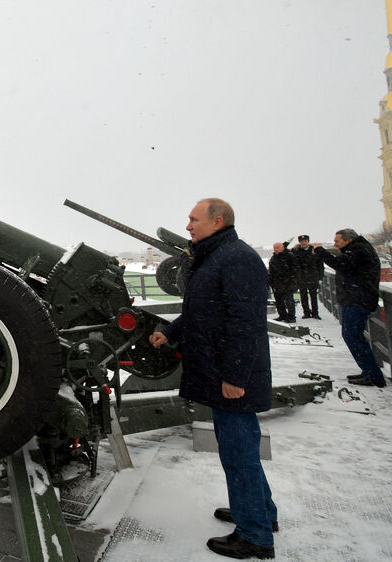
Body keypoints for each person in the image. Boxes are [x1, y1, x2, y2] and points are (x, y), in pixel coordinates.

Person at [149, 198, 276, 559]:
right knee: (241, 450)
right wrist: (170, 332)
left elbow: (245, 324)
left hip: (231, 375)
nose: (188, 225)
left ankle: (255, 536)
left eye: (194, 219)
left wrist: (235, 377)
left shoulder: (236, 259)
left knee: (239, 454)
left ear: (217, 222)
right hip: (222, 370)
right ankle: (261, 513)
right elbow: (202, 310)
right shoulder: (217, 257)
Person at [314, 229, 385, 388]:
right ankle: (368, 372)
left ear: (349, 240)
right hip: (357, 298)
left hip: (358, 300)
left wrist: (320, 251)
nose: (335, 244)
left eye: (337, 241)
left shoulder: (359, 251)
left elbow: (339, 264)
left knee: (352, 336)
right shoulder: (358, 249)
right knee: (354, 336)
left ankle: (373, 376)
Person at [292, 235, 322, 319]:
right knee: (303, 296)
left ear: (308, 241)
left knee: (313, 296)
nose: (303, 243)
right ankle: (306, 312)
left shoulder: (314, 250)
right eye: (302, 241)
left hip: (313, 276)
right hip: (302, 277)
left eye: (305, 241)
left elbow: (320, 265)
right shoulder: (296, 251)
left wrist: (320, 277)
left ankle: (315, 313)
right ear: (299, 242)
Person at [268, 241, 298, 323]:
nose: (276, 249)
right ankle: (282, 315)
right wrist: (271, 282)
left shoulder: (290, 256)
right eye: (274, 248)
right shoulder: (273, 258)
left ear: (282, 247)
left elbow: (295, 269)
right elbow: (271, 271)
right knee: (279, 301)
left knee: (289, 300)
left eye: (277, 248)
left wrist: (292, 280)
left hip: (288, 282)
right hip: (277, 283)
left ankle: (291, 317)